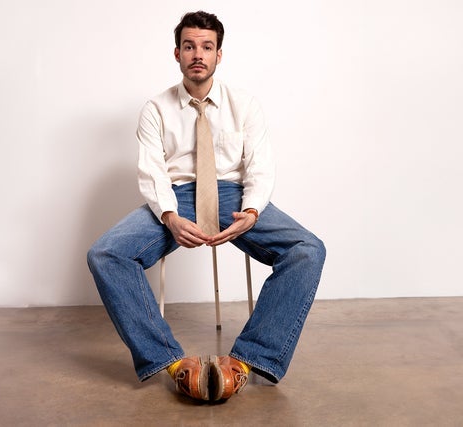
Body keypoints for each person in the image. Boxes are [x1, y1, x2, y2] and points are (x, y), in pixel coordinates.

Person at [87, 10, 326, 402]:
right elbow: (152, 170)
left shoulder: (244, 105)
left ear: (219, 54)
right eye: (189, 46)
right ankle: (174, 364)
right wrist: (169, 216)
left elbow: (260, 166)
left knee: (308, 249)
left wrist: (252, 212)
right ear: (177, 54)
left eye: (207, 47)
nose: (198, 54)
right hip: (176, 196)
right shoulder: (156, 109)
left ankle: (244, 363)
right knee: (105, 254)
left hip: (233, 197)